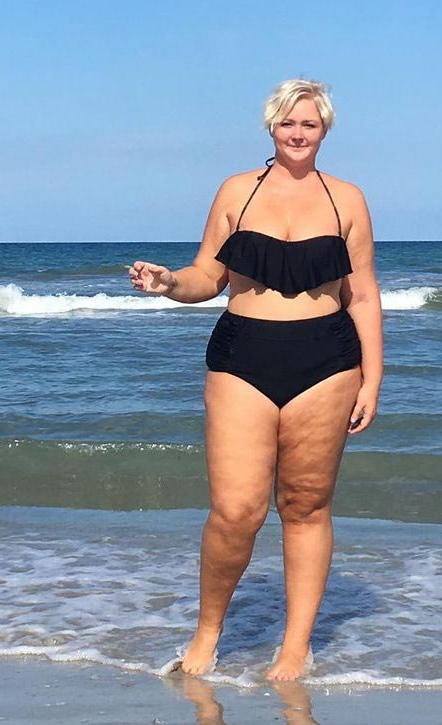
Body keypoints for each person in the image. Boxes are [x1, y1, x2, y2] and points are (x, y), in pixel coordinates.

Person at [129, 78, 383, 682]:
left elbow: (363, 294)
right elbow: (206, 276)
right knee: (236, 510)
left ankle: (295, 648)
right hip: (242, 358)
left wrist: (372, 378)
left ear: (324, 130)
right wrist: (170, 284)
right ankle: (206, 634)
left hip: (327, 362)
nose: (298, 134)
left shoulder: (347, 199)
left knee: (305, 505)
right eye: (287, 123)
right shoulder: (236, 192)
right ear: (271, 126)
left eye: (309, 124)